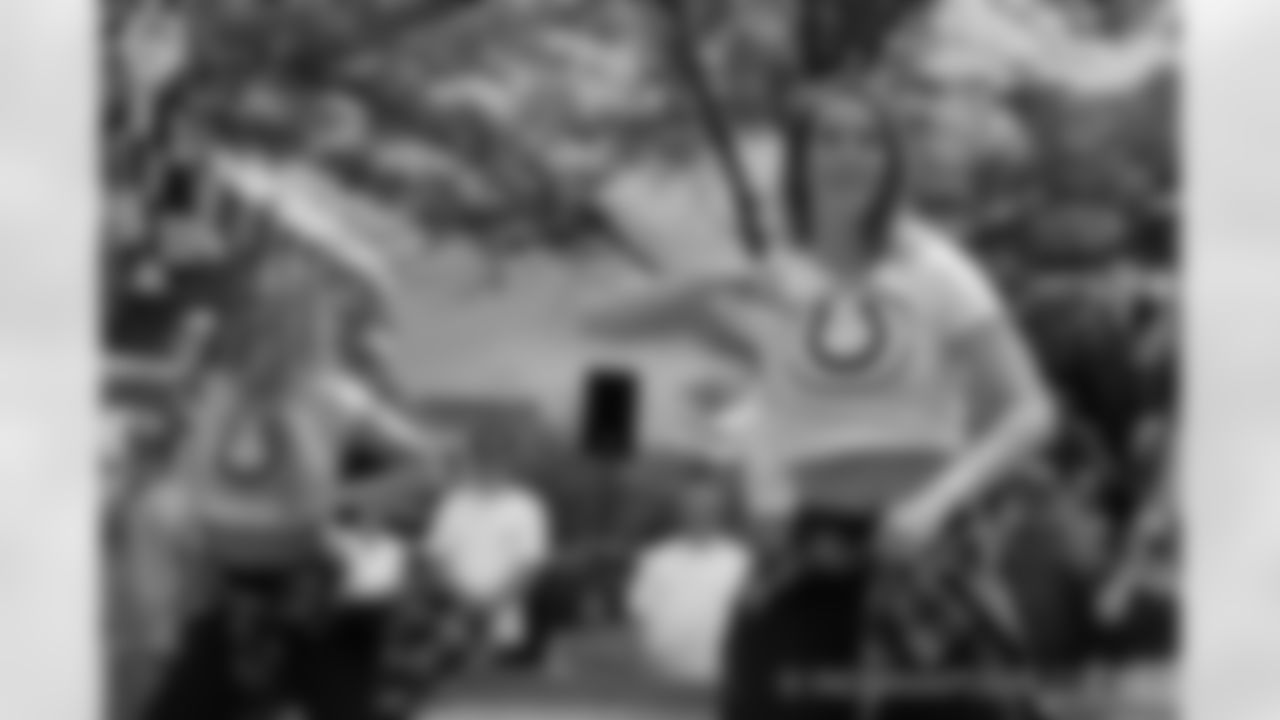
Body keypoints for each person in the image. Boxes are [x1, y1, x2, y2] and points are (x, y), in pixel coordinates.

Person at [588, 83, 1056, 720]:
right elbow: (598, 319)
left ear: (891, 161)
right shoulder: (778, 276)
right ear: (800, 160)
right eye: (829, 140)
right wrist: (722, 276)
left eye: (868, 141)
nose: (848, 156)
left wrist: (937, 502)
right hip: (807, 553)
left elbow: (1030, 410)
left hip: (924, 545)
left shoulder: (935, 267)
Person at [125, 236, 446, 720]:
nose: (250, 322)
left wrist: (345, 499)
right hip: (242, 592)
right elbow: (190, 490)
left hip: (312, 592)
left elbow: (427, 465)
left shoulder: (326, 393)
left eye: (259, 311)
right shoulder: (227, 392)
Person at [422, 454, 552, 668]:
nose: (488, 472)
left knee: (492, 672)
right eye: (482, 465)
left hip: (504, 611)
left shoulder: (526, 506)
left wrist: (492, 603)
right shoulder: (453, 504)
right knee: (453, 670)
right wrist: (462, 600)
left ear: (506, 469)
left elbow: (532, 564)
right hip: (456, 609)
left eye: (494, 466)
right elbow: (435, 558)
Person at [627, 479, 752, 687]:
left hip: (720, 676)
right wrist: (643, 668)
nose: (700, 514)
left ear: (719, 513)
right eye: (693, 508)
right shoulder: (655, 559)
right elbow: (638, 615)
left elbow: (752, 617)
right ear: (681, 512)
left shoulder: (739, 560)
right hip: (664, 675)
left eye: (708, 509)